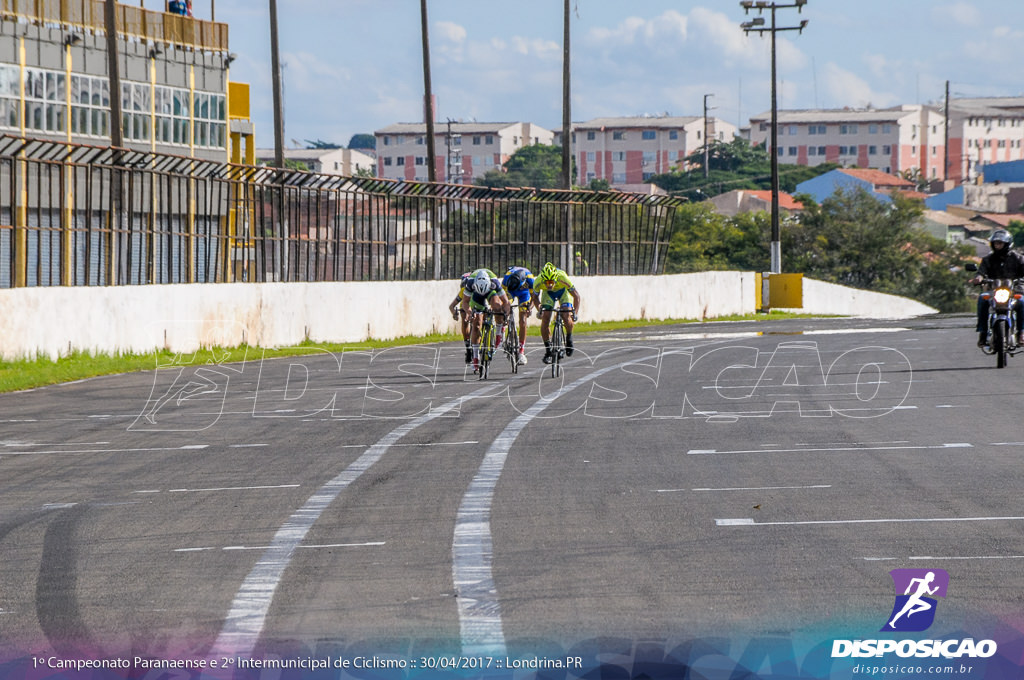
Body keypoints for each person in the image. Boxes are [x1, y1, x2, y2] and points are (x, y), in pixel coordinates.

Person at [969, 229, 1024, 346]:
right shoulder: (988, 259)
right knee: (982, 299)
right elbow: (981, 272)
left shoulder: (1018, 258)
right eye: (995, 243)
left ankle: (1022, 332)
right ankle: (982, 332)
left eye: (1000, 243)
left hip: (1015, 290)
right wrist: (978, 278)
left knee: (1023, 302)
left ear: (1007, 244)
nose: (997, 245)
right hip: (993, 291)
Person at [460, 268, 511, 373]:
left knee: (497, 307)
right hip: (476, 296)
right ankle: (475, 358)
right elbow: (465, 303)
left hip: (491, 292)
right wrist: (470, 313)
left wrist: (505, 314)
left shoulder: (494, 283)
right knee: (477, 324)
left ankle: (498, 335)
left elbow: (506, 302)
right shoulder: (470, 283)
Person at [532, 261, 582, 364]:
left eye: (551, 282)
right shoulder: (538, 281)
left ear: (556, 279)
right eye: (547, 283)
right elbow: (535, 297)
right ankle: (548, 350)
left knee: (566, 315)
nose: (549, 285)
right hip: (548, 295)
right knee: (545, 317)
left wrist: (575, 313)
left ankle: (569, 338)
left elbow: (576, 296)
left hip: (563, 292)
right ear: (543, 280)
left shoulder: (562, 277)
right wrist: (539, 308)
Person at [501, 265, 535, 365]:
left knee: (523, 320)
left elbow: (534, 298)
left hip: (524, 293)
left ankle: (521, 351)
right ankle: (503, 330)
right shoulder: (507, 277)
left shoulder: (530, 279)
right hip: (510, 291)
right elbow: (501, 295)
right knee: (505, 309)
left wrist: (530, 308)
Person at [449, 271, 473, 363]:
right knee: (465, 320)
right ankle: (468, 347)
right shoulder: (463, 292)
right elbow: (451, 306)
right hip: (465, 307)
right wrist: (454, 313)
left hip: (475, 305)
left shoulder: (476, 289)